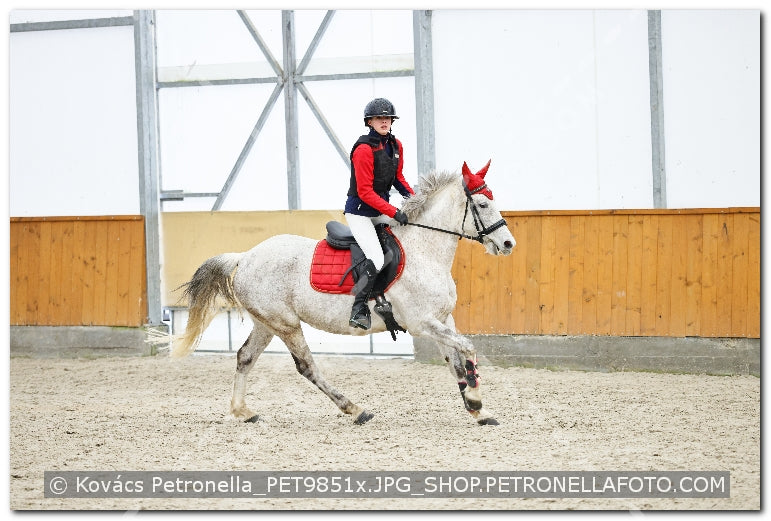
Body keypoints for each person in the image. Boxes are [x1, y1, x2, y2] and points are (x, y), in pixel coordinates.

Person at [344, 97, 414, 330]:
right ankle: (359, 308)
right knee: (376, 257)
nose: (384, 121)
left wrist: (415, 202)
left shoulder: (396, 145)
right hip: (361, 213)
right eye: (379, 118)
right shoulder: (363, 149)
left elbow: (398, 179)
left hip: (380, 209)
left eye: (387, 118)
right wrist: (394, 212)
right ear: (370, 122)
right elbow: (364, 192)